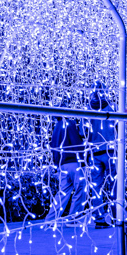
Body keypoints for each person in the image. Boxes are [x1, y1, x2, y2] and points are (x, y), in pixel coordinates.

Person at [45, 95, 89, 226]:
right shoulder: (69, 124)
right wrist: (83, 159)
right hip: (74, 162)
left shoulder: (56, 127)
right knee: (81, 188)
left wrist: (57, 165)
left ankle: (51, 218)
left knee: (63, 193)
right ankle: (73, 217)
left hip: (62, 165)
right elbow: (76, 144)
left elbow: (53, 148)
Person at [87, 81, 117, 229]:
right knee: (114, 185)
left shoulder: (87, 110)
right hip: (110, 151)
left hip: (95, 153)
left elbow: (83, 131)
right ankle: (116, 216)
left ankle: (99, 218)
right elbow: (120, 126)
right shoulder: (112, 108)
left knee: (96, 187)